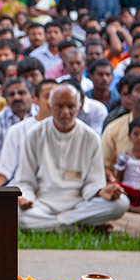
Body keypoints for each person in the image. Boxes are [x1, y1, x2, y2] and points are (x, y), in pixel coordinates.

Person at [14, 83, 129, 230]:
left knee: (121, 204)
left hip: (79, 203)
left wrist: (101, 192)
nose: (65, 112)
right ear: (49, 106)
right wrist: (25, 199)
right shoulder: (34, 134)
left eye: (70, 106)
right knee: (12, 212)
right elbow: (26, 181)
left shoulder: (90, 137)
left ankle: (53, 226)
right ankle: (77, 227)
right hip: (42, 203)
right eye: (59, 106)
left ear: (79, 106)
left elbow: (93, 182)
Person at [0, 79, 57, 212]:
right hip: (23, 189)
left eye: (57, 97)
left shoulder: (75, 130)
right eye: (48, 96)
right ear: (36, 99)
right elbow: (3, 172)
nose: (54, 102)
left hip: (59, 190)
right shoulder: (18, 130)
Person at [113, 118, 140, 209]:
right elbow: (119, 177)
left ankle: (133, 208)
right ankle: (133, 208)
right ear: (129, 136)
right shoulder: (125, 157)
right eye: (136, 134)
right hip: (128, 190)